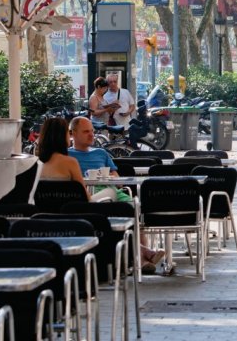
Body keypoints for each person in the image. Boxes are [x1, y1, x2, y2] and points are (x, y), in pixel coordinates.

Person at [67, 116, 165, 271]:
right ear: (72, 133)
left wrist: (108, 176)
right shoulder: (67, 157)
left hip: (112, 191)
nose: (91, 135)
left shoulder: (101, 153)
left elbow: (119, 182)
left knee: (135, 209)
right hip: (87, 195)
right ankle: (144, 258)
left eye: (92, 131)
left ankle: (142, 258)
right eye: (86, 131)